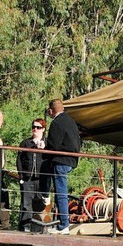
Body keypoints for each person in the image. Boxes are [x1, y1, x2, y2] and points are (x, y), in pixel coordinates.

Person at [45, 98, 81, 234]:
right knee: (61, 192)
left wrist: (45, 147)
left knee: (61, 192)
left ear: (50, 110)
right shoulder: (71, 121)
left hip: (61, 161)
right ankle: (62, 223)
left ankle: (63, 225)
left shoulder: (57, 122)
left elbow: (54, 145)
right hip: (71, 160)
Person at [16, 118, 49, 232]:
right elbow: (19, 160)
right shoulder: (26, 143)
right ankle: (25, 226)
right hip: (27, 178)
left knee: (41, 203)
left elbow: (50, 159)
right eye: (33, 127)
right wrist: (21, 175)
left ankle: (41, 227)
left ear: (43, 129)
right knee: (26, 203)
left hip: (42, 178)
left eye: (38, 127)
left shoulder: (47, 143)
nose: (35, 129)